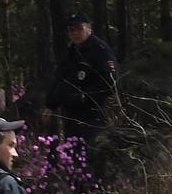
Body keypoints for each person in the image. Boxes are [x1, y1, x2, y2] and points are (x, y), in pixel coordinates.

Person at [45, 12, 118, 146]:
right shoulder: (71, 52)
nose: (75, 33)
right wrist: (50, 105)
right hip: (71, 114)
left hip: (93, 115)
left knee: (90, 154)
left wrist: (85, 97)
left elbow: (109, 82)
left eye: (79, 28)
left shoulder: (100, 50)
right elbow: (60, 78)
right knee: (73, 155)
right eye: (71, 30)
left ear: (89, 28)